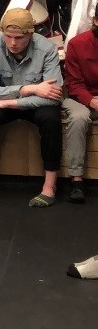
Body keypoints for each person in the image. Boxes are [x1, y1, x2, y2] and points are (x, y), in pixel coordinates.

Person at [0, 9, 62, 207]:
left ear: (30, 35)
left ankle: (49, 187)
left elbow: (53, 97)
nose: (13, 43)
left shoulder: (47, 48)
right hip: (21, 97)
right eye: (8, 36)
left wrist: (7, 101)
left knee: (51, 118)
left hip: (30, 104)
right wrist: (30, 89)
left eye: (19, 38)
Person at [60, 10, 98, 204]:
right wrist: (92, 101)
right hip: (81, 96)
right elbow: (73, 84)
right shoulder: (78, 43)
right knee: (78, 118)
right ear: (95, 21)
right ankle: (76, 180)